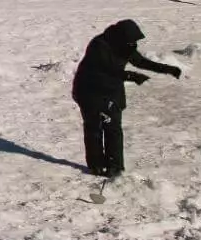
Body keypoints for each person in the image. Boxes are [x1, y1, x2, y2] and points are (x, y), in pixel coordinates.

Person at [71, 19, 181, 178]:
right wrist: (131, 76)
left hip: (112, 90)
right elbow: (107, 70)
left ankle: (115, 166)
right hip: (89, 90)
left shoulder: (125, 46)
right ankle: (96, 165)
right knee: (94, 128)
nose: (133, 44)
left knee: (113, 128)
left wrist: (167, 69)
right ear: (120, 37)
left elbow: (140, 62)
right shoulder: (99, 45)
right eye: (131, 40)